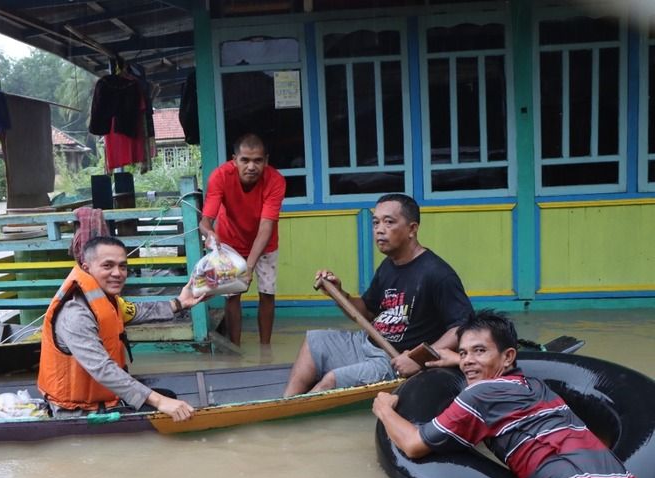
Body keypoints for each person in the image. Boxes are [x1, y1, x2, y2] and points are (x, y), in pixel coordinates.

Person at [372, 310, 655, 478]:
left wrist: (384, 409)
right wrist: (469, 361)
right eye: (463, 353)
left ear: (508, 356)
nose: (468, 361)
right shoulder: (539, 388)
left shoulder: (477, 395)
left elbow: (413, 445)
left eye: (479, 351)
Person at [283, 194, 472, 396]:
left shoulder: (437, 274)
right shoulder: (388, 266)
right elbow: (366, 311)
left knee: (331, 380)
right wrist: (339, 293)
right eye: (376, 223)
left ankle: (295, 415)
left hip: (394, 360)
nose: (379, 230)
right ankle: (284, 403)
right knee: (315, 341)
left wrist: (418, 359)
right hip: (367, 343)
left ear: (412, 229)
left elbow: (462, 326)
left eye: (389, 222)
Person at [37, 236, 205, 421]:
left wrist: (179, 303)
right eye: (107, 266)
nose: (117, 273)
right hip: (78, 411)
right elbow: (102, 368)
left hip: (105, 398)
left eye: (122, 266)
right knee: (165, 401)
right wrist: (160, 401)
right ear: (87, 268)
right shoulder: (75, 314)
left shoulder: (105, 299)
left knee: (169, 396)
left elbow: (138, 312)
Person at [199, 133, 286, 346]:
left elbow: (266, 227)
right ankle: (234, 347)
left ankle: (265, 347)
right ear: (234, 159)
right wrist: (210, 234)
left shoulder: (275, 180)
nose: (251, 166)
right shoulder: (220, 176)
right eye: (245, 160)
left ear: (266, 160)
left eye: (257, 160)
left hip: (265, 244)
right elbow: (205, 221)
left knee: (267, 293)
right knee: (232, 294)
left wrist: (249, 265)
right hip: (230, 242)